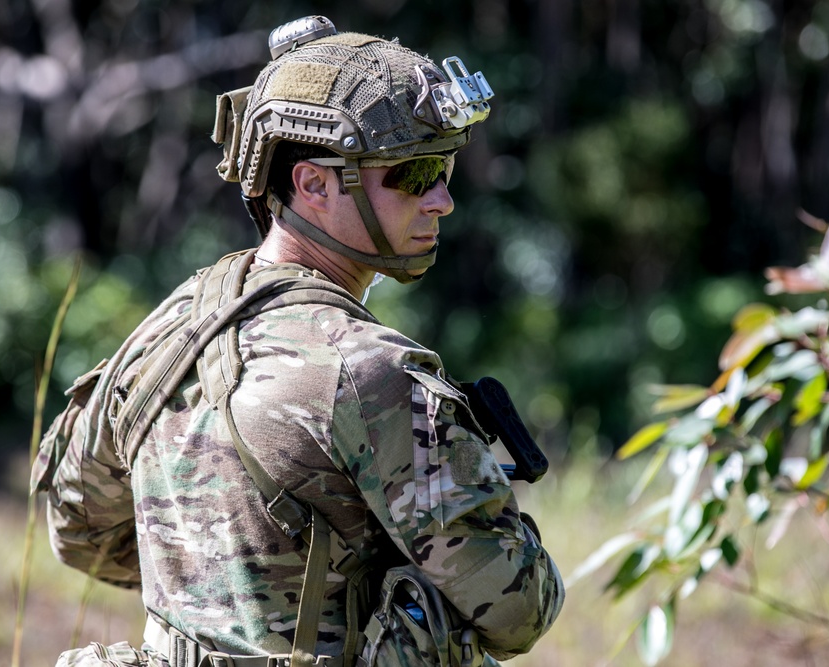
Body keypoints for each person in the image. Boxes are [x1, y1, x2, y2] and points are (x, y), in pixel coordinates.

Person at [32, 15, 564, 667]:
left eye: (445, 166)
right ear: (313, 184)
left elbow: (78, 527)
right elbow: (519, 610)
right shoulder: (373, 373)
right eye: (417, 171)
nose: (443, 200)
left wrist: (224, 591)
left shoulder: (166, 327)